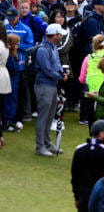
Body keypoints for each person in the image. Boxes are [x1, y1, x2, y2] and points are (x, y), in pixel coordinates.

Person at [34, 22, 68, 156]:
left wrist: (61, 72)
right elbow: (47, 69)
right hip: (44, 86)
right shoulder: (42, 49)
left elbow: (57, 64)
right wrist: (60, 76)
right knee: (43, 117)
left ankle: (47, 143)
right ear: (54, 35)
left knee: (49, 117)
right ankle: (40, 146)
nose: (60, 36)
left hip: (52, 85)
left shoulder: (53, 46)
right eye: (59, 34)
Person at [71, 119, 104, 211]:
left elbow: (75, 176)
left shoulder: (79, 150)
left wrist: (77, 197)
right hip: (102, 198)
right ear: (101, 134)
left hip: (84, 197)